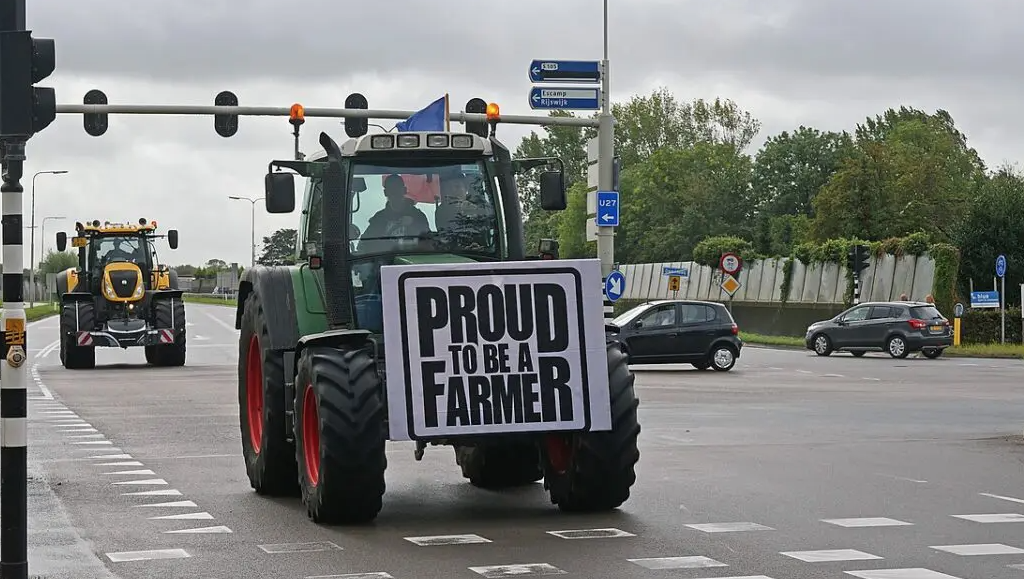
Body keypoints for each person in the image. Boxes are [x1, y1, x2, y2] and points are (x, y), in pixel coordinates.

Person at [357, 174, 431, 253]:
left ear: (404, 190)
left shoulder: (418, 217)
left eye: (398, 190)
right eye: (391, 190)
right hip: (384, 261)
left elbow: (428, 242)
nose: (395, 194)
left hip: (412, 259)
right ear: (386, 193)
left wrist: (413, 224)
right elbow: (364, 245)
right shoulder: (379, 219)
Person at [434, 172, 494, 250]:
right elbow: (445, 236)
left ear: (466, 190)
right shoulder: (442, 210)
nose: (453, 191)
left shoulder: (478, 204)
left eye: (457, 187)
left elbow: (494, 219)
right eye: (449, 188)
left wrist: (476, 210)